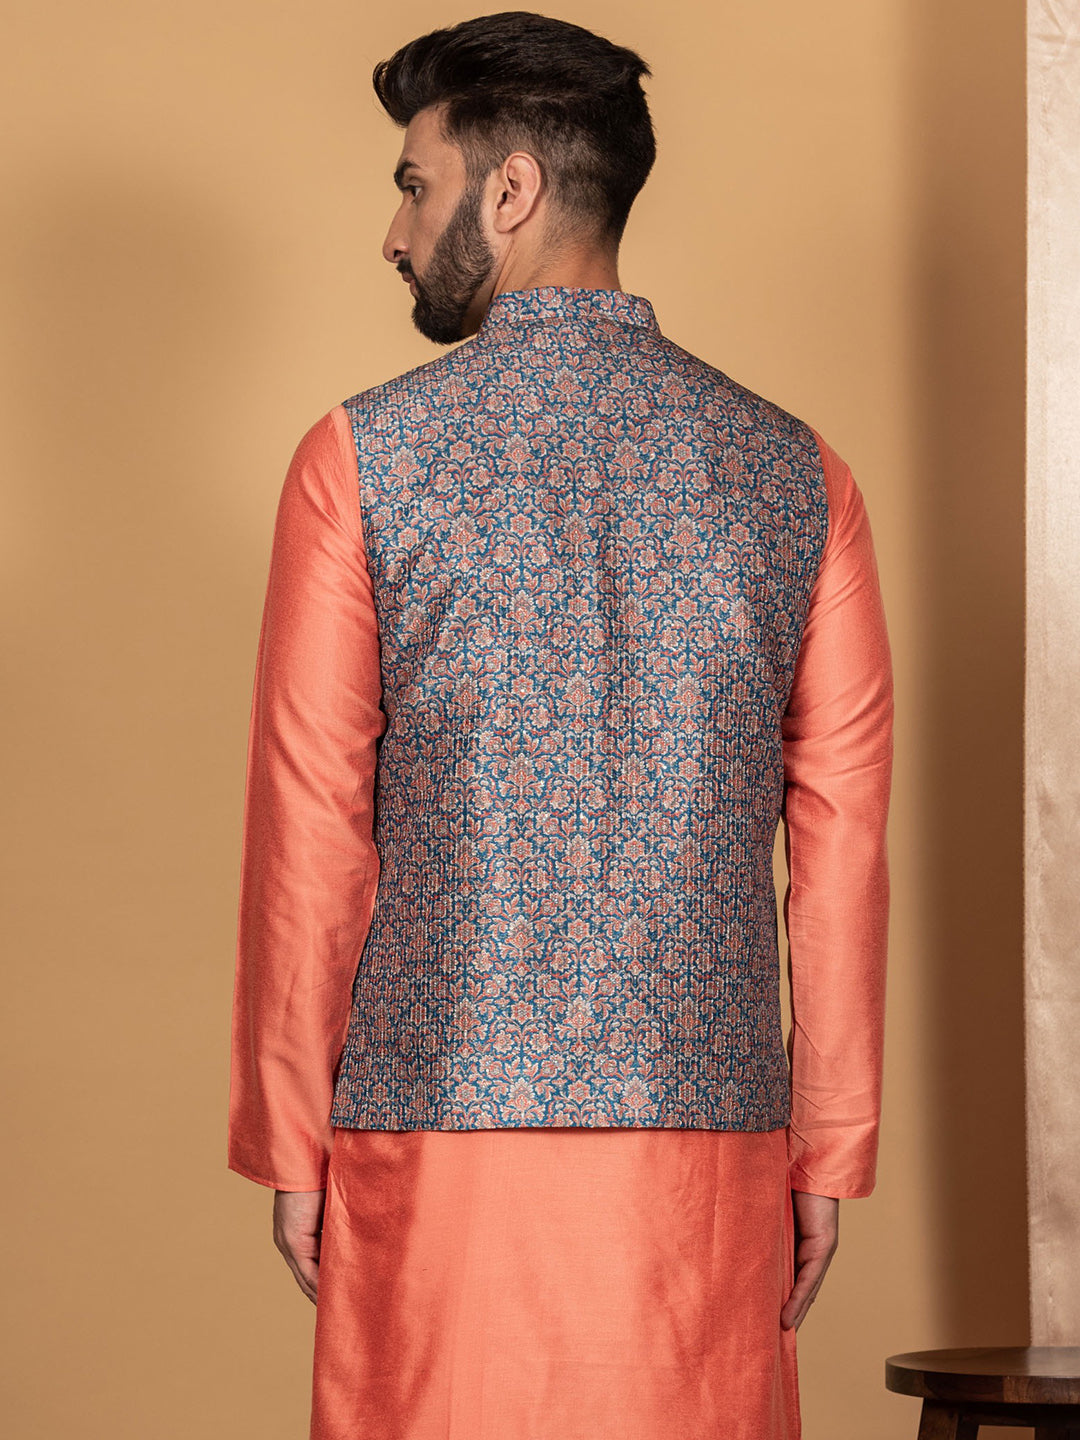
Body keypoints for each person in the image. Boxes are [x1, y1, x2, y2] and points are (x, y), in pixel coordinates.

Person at [227, 12, 893, 1440]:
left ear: (512, 189)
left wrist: (292, 1134)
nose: (395, 233)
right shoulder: (798, 474)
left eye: (415, 185)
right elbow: (842, 851)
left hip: (432, 1120)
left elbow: (312, 828)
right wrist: (827, 1149)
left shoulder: (359, 461)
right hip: (707, 1143)